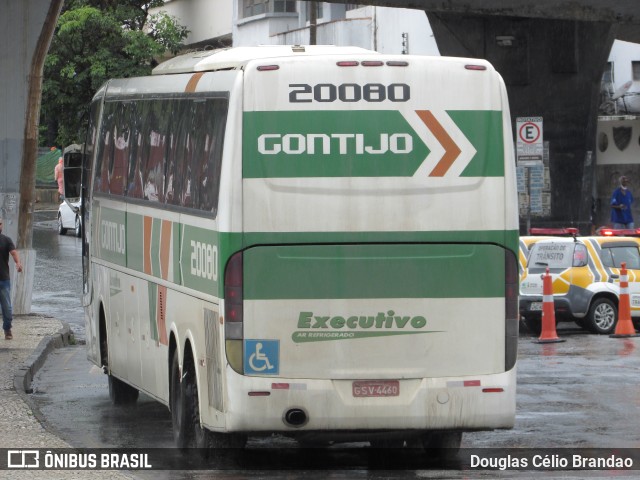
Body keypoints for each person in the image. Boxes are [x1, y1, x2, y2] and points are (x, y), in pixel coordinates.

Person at [0, 219, 23, 340]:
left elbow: (13, 253)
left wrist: (18, 263)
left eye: (0, 224)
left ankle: (7, 329)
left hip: (3, 280)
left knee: (7, 308)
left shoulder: (6, 240)